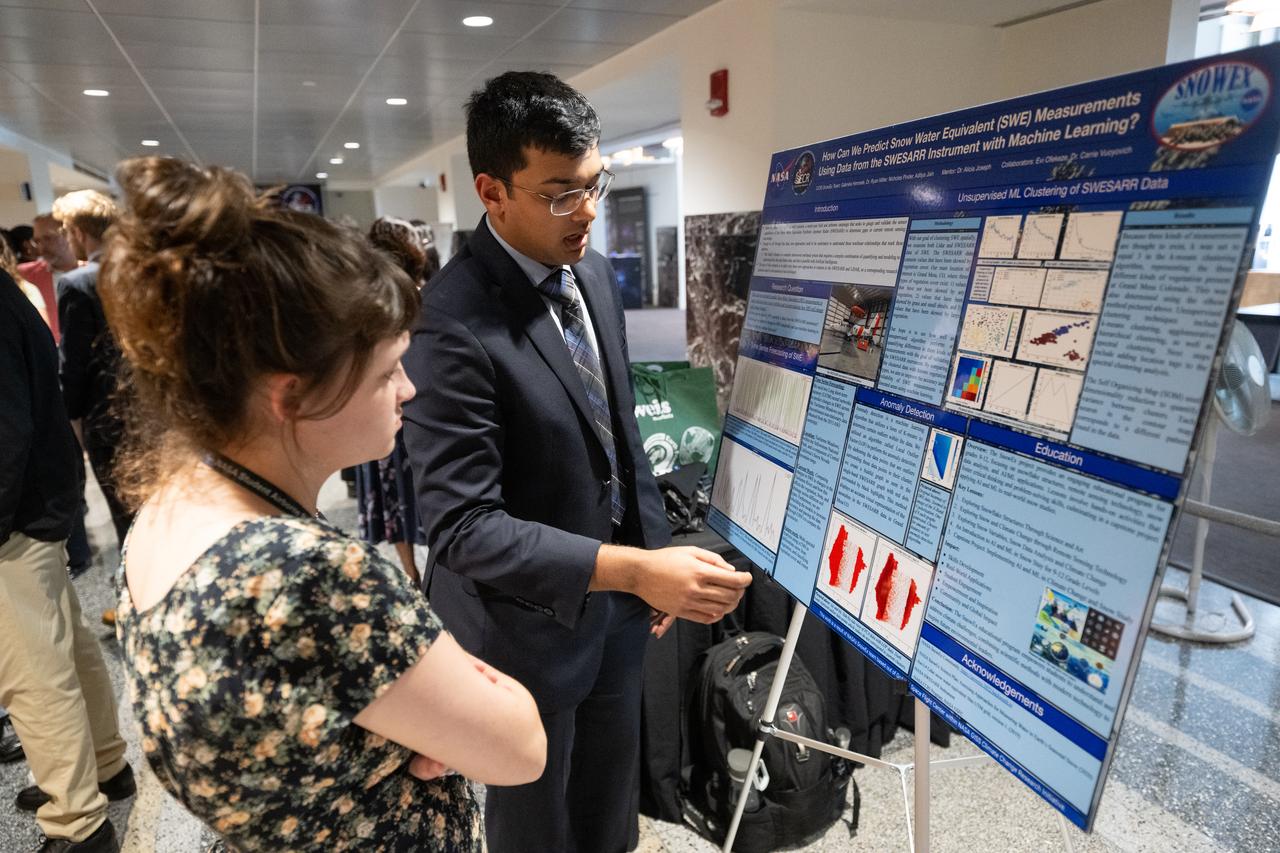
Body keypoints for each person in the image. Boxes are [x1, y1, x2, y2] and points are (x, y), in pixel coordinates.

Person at [103, 156, 546, 851]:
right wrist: (440, 696)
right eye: (384, 371)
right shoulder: (308, 575)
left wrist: (406, 714)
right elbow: (520, 744)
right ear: (291, 395)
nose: (408, 389)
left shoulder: (164, 513)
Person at [403, 71, 752, 853]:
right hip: (522, 630)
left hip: (616, 618)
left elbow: (620, 429)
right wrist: (631, 568)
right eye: (560, 193)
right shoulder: (450, 322)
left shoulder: (590, 270)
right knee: (536, 826)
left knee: (607, 814)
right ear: (492, 192)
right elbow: (463, 528)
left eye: (596, 183)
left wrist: (654, 549)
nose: (588, 210)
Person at [0, 267, 133, 853]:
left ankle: (76, 819)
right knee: (66, 643)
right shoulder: (5, 291)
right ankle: (104, 768)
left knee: (31, 670)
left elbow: (5, 432)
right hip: (40, 499)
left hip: (15, 513)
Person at [52, 191, 134, 557]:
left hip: (109, 416)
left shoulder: (79, 284)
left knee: (126, 517)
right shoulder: (143, 272)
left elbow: (75, 362)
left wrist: (72, 417)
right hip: (160, 413)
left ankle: (138, 599)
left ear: (80, 233)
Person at [355, 217, 431, 583]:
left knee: (395, 500)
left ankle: (411, 573)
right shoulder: (421, 300)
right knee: (421, 496)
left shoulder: (369, 303)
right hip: (415, 416)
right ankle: (425, 572)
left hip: (382, 417)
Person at [21, 212, 85, 344]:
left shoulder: (94, 273)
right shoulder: (24, 275)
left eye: (48, 238)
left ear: (69, 235)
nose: (41, 248)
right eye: (37, 241)